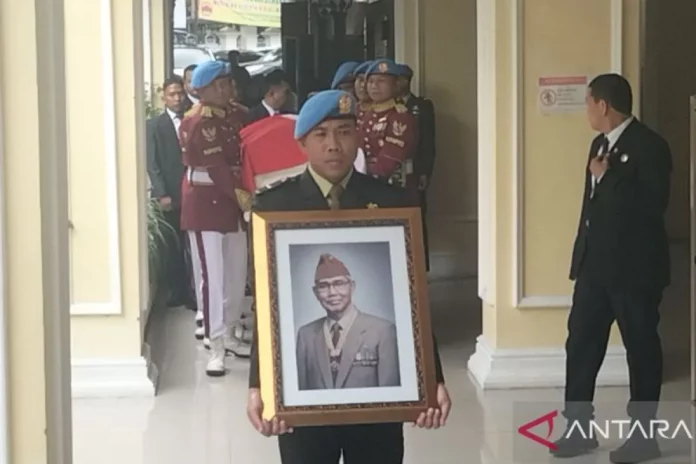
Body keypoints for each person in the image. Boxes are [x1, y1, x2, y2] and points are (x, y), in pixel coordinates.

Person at [246, 90, 451, 464]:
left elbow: (413, 297)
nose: (333, 145)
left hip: (376, 401)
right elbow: (267, 305)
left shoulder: (393, 203)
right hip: (302, 403)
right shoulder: (272, 207)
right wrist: (259, 384)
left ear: (358, 138)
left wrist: (431, 378)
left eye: (344, 132)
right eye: (321, 134)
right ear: (302, 142)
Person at [552, 74, 672, 464]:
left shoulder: (650, 145)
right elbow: (591, 209)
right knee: (581, 345)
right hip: (595, 269)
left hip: (635, 271)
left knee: (641, 349)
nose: (586, 111)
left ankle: (643, 437)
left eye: (588, 103)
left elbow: (653, 205)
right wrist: (580, 257)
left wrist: (609, 177)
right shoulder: (599, 144)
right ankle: (578, 429)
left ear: (602, 105)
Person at [179, 61, 251, 376]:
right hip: (207, 201)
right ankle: (216, 343)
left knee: (236, 271)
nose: (226, 90)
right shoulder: (197, 122)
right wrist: (243, 197)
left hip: (232, 199)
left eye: (227, 83)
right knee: (213, 276)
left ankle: (231, 330)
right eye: (219, 85)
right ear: (202, 90)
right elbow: (218, 169)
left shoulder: (234, 115)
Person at [296, 253, 400, 391]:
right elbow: (301, 395)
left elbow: (391, 395)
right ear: (315, 292)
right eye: (323, 286)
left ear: (352, 286)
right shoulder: (306, 335)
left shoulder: (382, 331)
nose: (332, 292)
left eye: (339, 283)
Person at [145, 76, 197, 312]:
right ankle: (178, 291)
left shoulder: (193, 120)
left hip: (194, 191)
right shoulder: (154, 126)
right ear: (163, 97)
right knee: (174, 246)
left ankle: (195, 292)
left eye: (180, 93)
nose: (177, 98)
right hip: (171, 194)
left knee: (193, 244)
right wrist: (161, 193)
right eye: (172, 94)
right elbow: (152, 163)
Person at [396, 64, 436, 271]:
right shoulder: (386, 108)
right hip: (393, 173)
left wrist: (425, 171)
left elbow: (428, 142)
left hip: (414, 171)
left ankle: (421, 268)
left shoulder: (421, 106)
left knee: (418, 218)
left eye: (401, 79)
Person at [361, 59, 418, 200]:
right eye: (371, 81)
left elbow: (391, 159)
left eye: (381, 81)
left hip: (391, 187)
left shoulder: (400, 117)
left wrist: (365, 181)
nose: (374, 86)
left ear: (396, 84)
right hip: (365, 182)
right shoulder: (366, 115)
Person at [353, 61, 373, 128]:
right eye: (360, 80)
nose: (363, 85)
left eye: (368, 81)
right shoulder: (350, 111)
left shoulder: (386, 113)